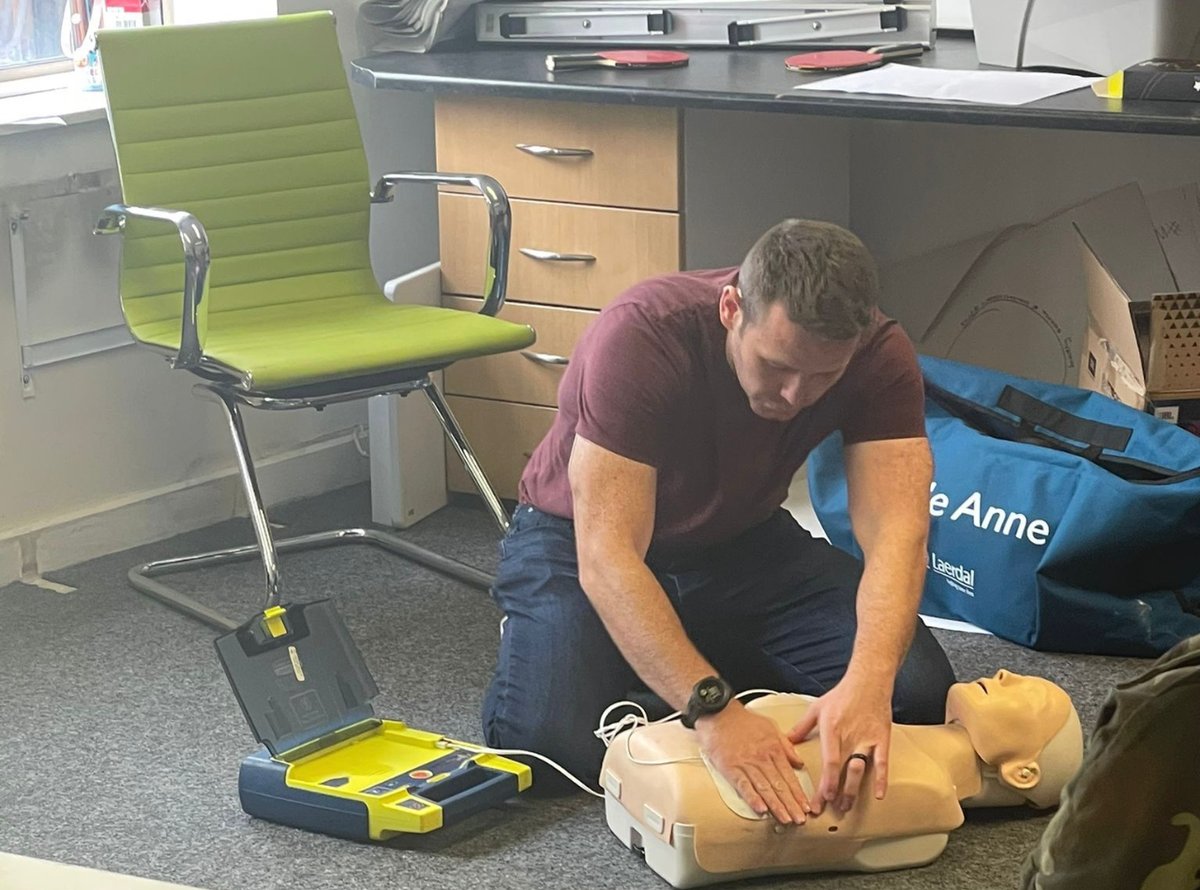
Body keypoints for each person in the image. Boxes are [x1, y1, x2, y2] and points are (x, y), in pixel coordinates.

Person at [482, 219, 956, 822]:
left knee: (912, 696)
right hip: (575, 541)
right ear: (732, 308)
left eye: (823, 378)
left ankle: (662, 661)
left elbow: (897, 534)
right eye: (776, 365)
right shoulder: (643, 334)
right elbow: (609, 557)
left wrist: (867, 681)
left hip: (742, 540)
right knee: (547, 751)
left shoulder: (880, 355)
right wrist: (713, 709)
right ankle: (656, 662)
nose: (793, 397)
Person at [601, 671, 1084, 888]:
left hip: (681, 798)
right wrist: (717, 716)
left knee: (912, 681)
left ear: (1023, 772)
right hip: (684, 769)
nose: (1004, 671)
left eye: (1030, 695)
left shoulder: (930, 796)